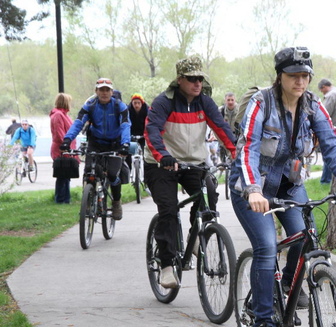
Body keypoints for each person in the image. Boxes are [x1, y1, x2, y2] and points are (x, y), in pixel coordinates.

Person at [230, 46, 336, 327]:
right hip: (252, 185)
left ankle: (290, 282)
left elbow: (332, 144)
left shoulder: (312, 106)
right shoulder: (260, 103)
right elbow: (248, 148)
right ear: (280, 76)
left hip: (288, 184)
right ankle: (264, 321)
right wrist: (253, 190)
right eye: (294, 75)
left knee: (306, 235)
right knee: (266, 247)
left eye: (305, 76)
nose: (300, 81)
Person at [144, 55, 237, 290]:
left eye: (200, 79)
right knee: (168, 209)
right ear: (179, 80)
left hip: (192, 163)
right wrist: (163, 156)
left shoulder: (204, 102)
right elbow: (152, 131)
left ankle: (196, 238)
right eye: (192, 79)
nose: (197, 83)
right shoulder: (163, 102)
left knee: (210, 194)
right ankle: (166, 265)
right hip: (161, 163)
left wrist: (237, 154)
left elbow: (221, 128)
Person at [61, 78, 131, 220]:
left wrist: (125, 144)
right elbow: (79, 122)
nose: (104, 93)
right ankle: (88, 199)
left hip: (115, 143)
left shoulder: (120, 106)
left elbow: (125, 125)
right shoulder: (90, 105)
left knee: (112, 174)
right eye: (101, 90)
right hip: (96, 142)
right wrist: (67, 140)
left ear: (111, 92)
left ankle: (116, 202)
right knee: (89, 172)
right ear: (96, 91)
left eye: (107, 90)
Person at [50, 93, 77, 204]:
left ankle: (66, 199)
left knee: (66, 175)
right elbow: (59, 133)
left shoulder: (63, 115)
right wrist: (65, 145)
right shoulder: (58, 115)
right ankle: (61, 199)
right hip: (61, 150)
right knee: (62, 175)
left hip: (67, 149)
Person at [317, 78, 336, 184]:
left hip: (330, 129)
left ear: (324, 87)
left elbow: (324, 113)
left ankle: (325, 180)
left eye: (321, 90)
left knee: (328, 154)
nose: (322, 92)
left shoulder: (331, 95)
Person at [127, 93, 149, 167]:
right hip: (131, 134)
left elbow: (150, 123)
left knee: (146, 154)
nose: (136, 105)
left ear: (142, 103)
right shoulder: (128, 110)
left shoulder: (147, 110)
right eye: (135, 103)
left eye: (138, 103)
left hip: (143, 135)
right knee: (129, 153)